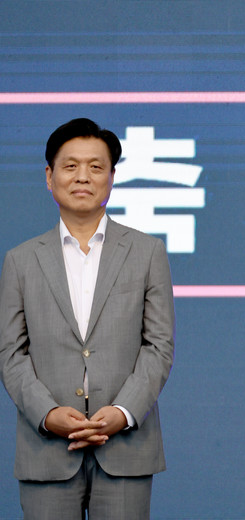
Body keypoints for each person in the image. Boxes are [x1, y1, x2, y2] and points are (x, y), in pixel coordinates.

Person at [0, 118, 175, 519]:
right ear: (49, 177)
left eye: (96, 167)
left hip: (126, 448)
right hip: (47, 450)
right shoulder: (21, 260)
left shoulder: (147, 252)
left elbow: (158, 346)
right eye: (70, 166)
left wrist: (123, 411)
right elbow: (10, 353)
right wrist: (47, 414)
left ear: (112, 178)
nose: (83, 176)